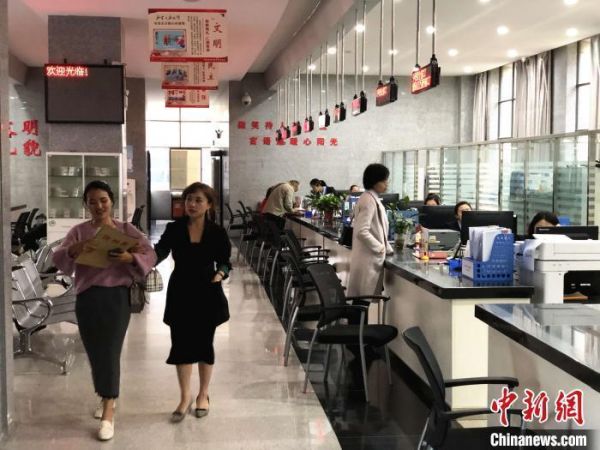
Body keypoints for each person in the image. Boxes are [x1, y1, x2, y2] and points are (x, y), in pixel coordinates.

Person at [53, 181, 156, 441]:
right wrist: (75, 249)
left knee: (110, 351)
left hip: (116, 298)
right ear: (86, 205)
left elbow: (149, 253)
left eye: (103, 200)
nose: (99, 206)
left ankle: (109, 412)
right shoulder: (79, 231)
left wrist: (130, 258)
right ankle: (105, 395)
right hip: (87, 298)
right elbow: (59, 258)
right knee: (95, 352)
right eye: (92, 202)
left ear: (112, 201)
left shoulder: (125, 230)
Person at [154, 182, 232, 423]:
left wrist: (220, 274)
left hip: (207, 290)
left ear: (209, 205)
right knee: (181, 345)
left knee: (204, 344)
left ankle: (203, 394)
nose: (192, 204)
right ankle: (184, 396)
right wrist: (140, 259)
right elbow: (160, 252)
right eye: (188, 199)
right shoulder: (174, 228)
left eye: (198, 200)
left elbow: (225, 262)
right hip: (181, 290)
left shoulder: (217, 232)